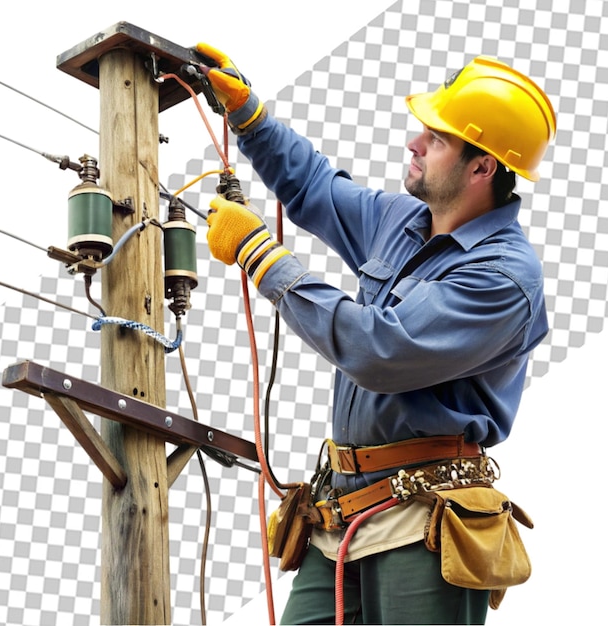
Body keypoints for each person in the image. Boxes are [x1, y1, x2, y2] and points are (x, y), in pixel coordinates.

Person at [194, 42, 556, 625]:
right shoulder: (401, 220)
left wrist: (261, 257)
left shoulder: (503, 280)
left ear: (482, 167)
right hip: (339, 514)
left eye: (436, 139)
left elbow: (379, 350)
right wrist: (249, 117)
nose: (414, 143)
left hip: (424, 519)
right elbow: (314, 186)